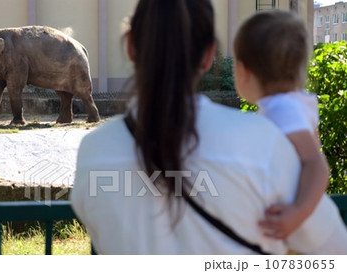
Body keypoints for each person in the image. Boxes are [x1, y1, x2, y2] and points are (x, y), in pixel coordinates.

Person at [71, 0, 347, 254]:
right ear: (208, 55)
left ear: (131, 46)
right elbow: (333, 249)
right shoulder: (263, 143)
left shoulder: (93, 153)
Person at [233, 10, 329, 240]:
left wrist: (298, 213)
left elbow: (317, 165)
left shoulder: (283, 110)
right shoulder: (292, 104)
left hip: (301, 226)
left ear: (243, 71)